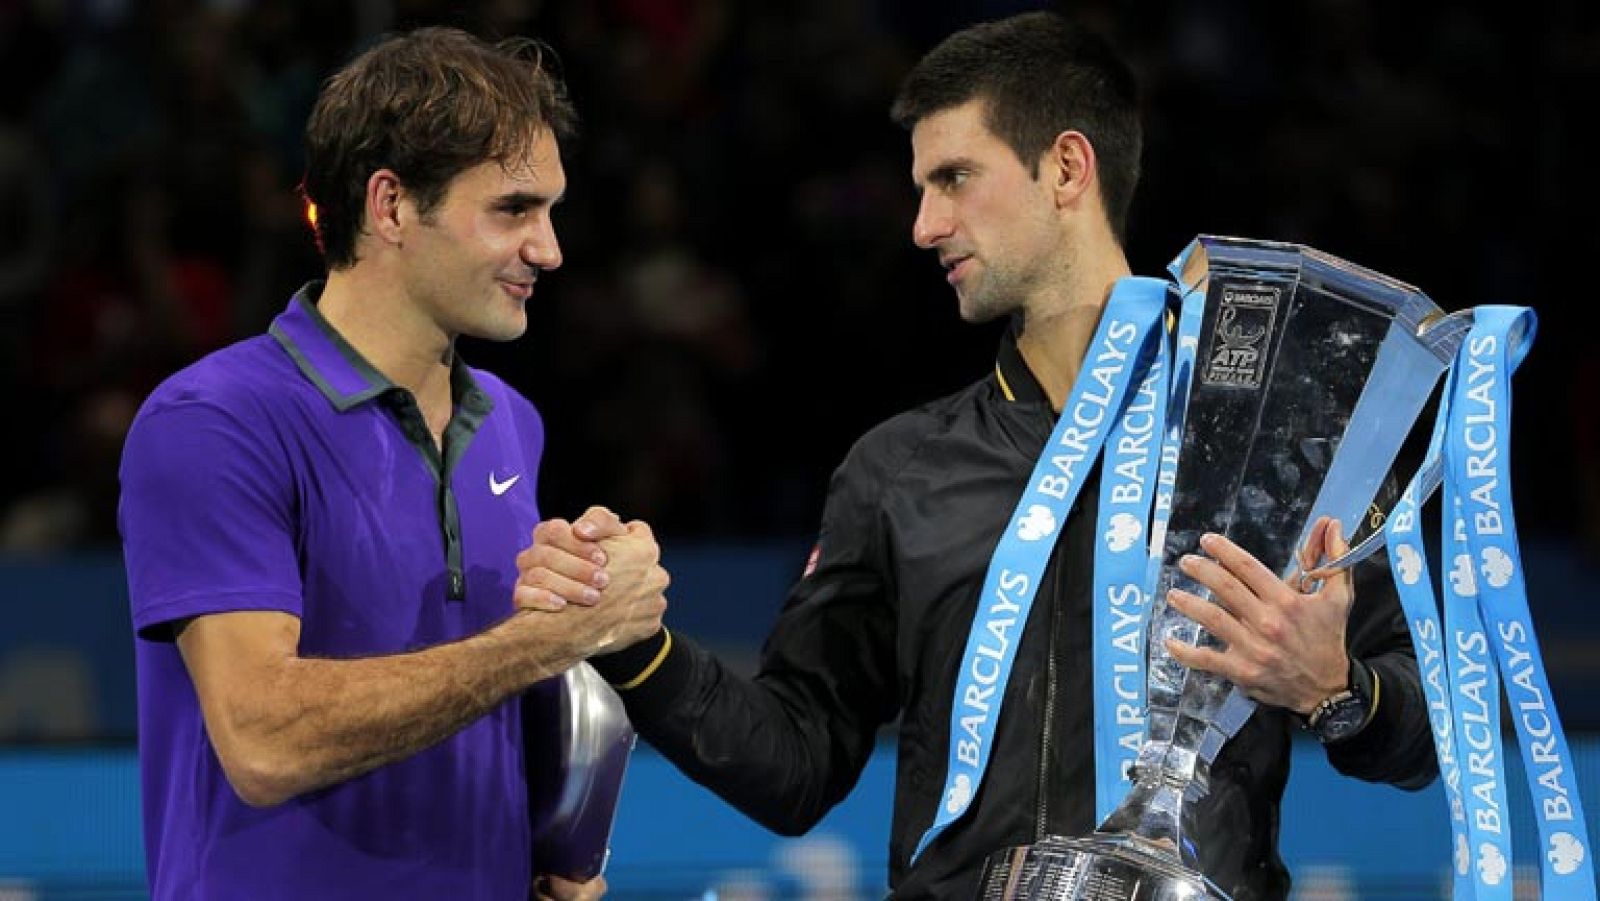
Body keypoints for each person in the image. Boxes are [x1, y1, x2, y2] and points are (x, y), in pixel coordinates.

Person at [519, 11, 1436, 899]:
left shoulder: (1273, 446)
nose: (923, 225)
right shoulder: (900, 468)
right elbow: (795, 761)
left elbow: (1435, 731)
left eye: (954, 178)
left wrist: (1336, 689)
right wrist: (636, 644)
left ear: (1067, 168)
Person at [118, 28, 666, 900]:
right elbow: (263, 739)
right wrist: (543, 641)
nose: (549, 249)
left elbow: (494, 691)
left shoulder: (510, 424)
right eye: (514, 209)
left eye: (551, 211)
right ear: (391, 205)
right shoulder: (213, 421)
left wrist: (587, 588)